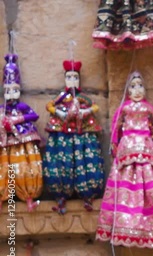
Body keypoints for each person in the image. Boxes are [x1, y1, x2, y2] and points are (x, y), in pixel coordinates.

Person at [95, 71, 153, 248]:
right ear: (127, 91)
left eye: (140, 85)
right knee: (125, 184)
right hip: (127, 148)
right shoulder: (125, 108)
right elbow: (116, 127)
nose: (137, 90)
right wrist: (115, 145)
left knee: (148, 184)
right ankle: (125, 223)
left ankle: (151, 227)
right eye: (133, 86)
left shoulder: (148, 108)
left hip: (145, 147)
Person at [43, 60, 104, 214]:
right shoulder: (61, 97)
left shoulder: (82, 97)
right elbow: (49, 105)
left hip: (82, 130)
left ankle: (88, 195)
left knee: (86, 159)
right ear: (65, 80)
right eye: (69, 77)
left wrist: (86, 112)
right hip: (63, 131)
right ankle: (61, 195)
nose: (72, 80)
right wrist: (59, 112)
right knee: (61, 161)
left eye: (75, 77)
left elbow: (95, 105)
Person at [0, 53, 43, 211]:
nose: (11, 94)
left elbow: (35, 115)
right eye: (8, 91)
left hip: (23, 139)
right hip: (6, 142)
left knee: (25, 168)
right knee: (5, 170)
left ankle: (29, 197)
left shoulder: (22, 107)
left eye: (14, 90)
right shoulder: (2, 109)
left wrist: (18, 120)